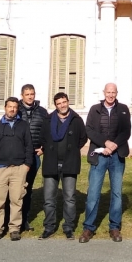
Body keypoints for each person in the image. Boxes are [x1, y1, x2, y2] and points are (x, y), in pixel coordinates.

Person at [79, 83, 131, 243]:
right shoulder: (95, 109)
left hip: (117, 156)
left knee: (116, 193)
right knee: (93, 192)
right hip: (99, 155)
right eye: (108, 92)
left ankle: (114, 227)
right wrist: (105, 143)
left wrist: (114, 144)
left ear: (117, 93)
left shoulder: (123, 109)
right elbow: (89, 130)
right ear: (104, 93)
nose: (110, 95)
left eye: (113, 92)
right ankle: (88, 227)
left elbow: (126, 130)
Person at [38, 92, 87, 240]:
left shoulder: (76, 120)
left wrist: (71, 151)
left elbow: (83, 138)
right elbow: (43, 138)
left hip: (70, 162)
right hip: (51, 162)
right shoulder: (48, 120)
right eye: (59, 103)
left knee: (70, 198)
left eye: (64, 102)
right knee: (48, 198)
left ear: (68, 101)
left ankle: (68, 227)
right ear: (56, 105)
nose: (62, 105)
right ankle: (49, 226)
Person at [0, 97, 33, 242]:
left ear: (17, 109)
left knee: (16, 200)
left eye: (14, 107)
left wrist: (27, 166)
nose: (12, 109)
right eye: (9, 107)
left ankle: (14, 228)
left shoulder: (23, 125)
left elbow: (28, 146)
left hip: (19, 169)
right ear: (5, 108)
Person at [3, 84, 48, 232]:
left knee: (27, 189)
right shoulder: (16, 110)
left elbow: (48, 132)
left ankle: (24, 220)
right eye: (27, 94)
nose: (30, 97)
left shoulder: (42, 112)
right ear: (22, 95)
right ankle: (9, 219)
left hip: (34, 156)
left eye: (32, 94)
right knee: (14, 188)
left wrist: (43, 148)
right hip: (17, 155)